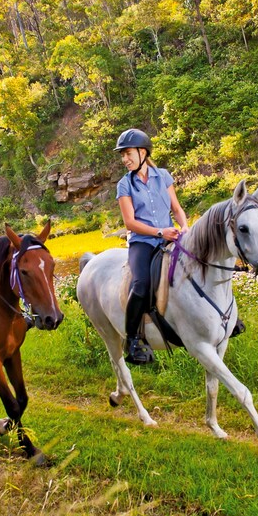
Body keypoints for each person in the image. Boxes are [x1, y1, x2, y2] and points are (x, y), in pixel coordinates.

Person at [114, 128, 188, 365]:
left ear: (142, 152)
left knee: (202, 262)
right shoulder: (124, 185)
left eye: (128, 153)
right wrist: (159, 231)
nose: (125, 159)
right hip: (142, 242)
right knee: (141, 283)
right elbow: (130, 222)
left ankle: (225, 319)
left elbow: (175, 208)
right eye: (122, 155)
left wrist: (184, 227)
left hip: (170, 237)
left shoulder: (163, 176)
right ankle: (133, 340)